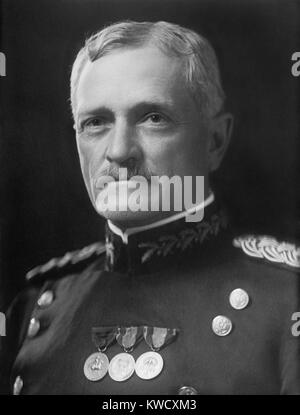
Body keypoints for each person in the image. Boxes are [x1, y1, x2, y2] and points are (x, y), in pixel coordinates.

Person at [0, 20, 299, 395]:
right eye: (96, 123)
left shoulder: (287, 298)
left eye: (153, 118)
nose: (120, 151)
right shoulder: (35, 304)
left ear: (215, 141)